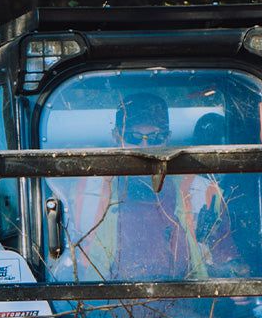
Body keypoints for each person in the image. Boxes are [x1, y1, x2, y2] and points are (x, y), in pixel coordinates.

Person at [52, 93, 235, 282]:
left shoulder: (203, 192)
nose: (145, 147)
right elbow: (60, 262)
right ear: (116, 136)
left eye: (155, 138)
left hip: (186, 302)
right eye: (134, 137)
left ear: (168, 138)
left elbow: (225, 258)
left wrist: (233, 279)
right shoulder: (81, 192)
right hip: (104, 305)